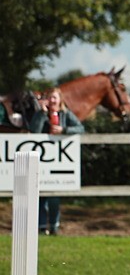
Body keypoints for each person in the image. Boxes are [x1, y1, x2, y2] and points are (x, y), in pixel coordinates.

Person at [27, 87, 84, 235]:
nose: (52, 100)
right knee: (39, 194)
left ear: (60, 99)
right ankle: (41, 226)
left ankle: (54, 226)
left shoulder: (66, 114)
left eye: (54, 97)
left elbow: (80, 128)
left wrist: (64, 130)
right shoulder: (40, 114)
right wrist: (42, 114)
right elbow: (34, 131)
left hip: (59, 159)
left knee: (54, 196)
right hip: (42, 158)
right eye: (49, 97)